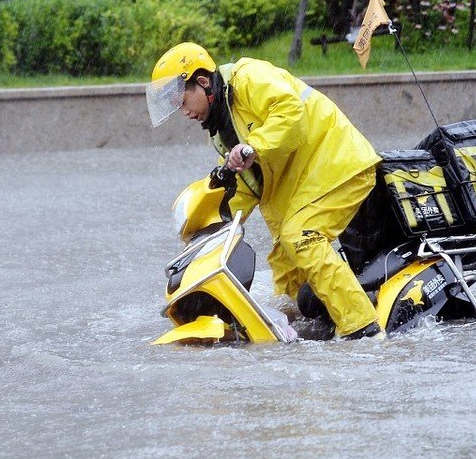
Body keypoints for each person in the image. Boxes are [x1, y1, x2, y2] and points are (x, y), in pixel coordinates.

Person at [147, 42, 383, 340]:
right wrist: (218, 224)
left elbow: (290, 113)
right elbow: (250, 183)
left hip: (338, 163)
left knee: (301, 237)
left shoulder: (249, 78)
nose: (184, 113)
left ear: (203, 82)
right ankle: (305, 326)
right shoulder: (220, 126)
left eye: (183, 102)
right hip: (306, 177)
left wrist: (253, 146)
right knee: (284, 260)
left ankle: (363, 329)